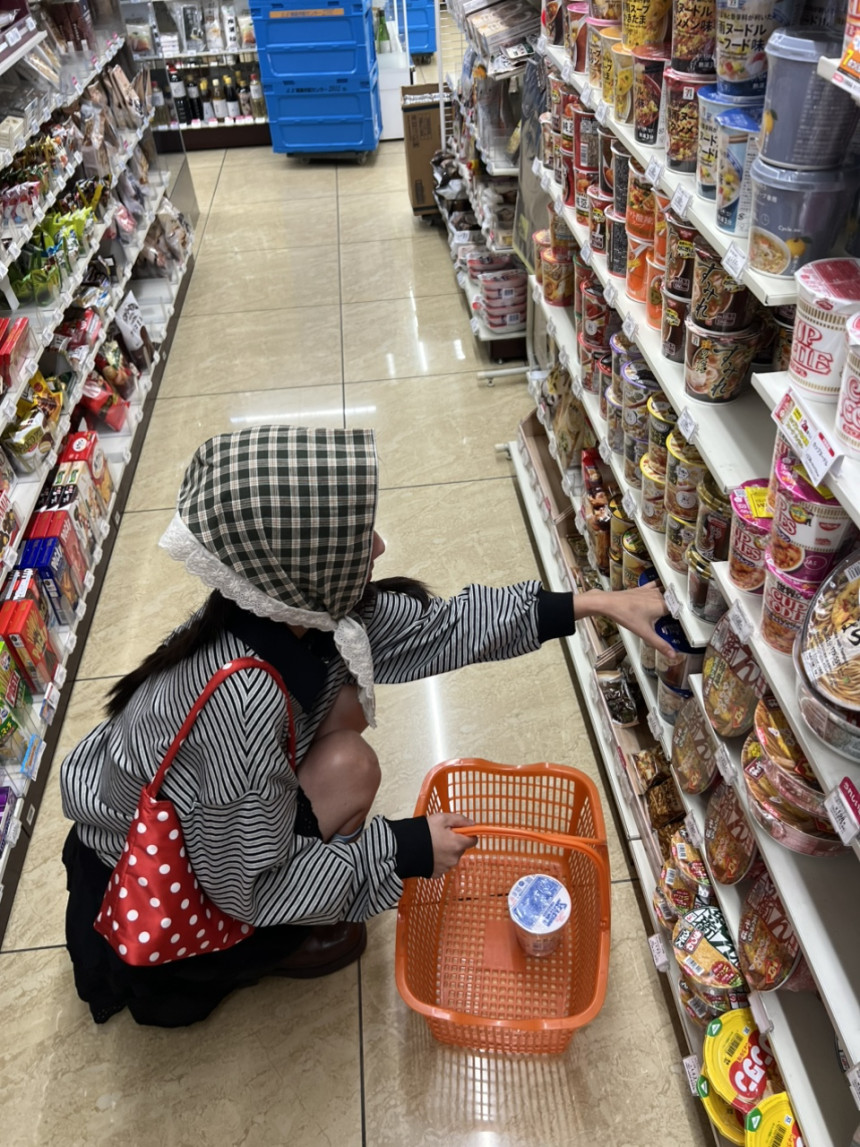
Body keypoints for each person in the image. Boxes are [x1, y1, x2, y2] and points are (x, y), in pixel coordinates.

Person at [60, 426, 676, 1028]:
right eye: (356, 538)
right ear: (301, 562)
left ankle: (310, 890)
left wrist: (595, 604)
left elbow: (446, 627)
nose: (377, 547)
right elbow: (250, 888)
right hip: (163, 881)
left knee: (348, 706)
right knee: (352, 767)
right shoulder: (241, 703)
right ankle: (269, 950)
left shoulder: (282, 605)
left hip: (218, 820)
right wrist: (405, 848)